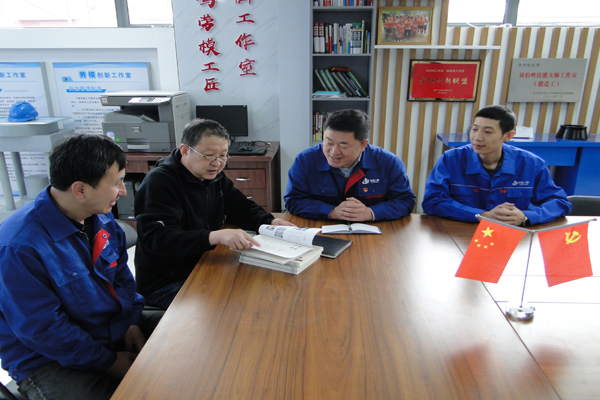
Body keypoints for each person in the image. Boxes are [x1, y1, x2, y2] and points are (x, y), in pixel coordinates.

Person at [0, 134, 159, 400]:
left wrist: (131, 323)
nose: (122, 191)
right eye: (117, 182)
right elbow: (43, 330)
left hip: (110, 330)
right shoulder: (18, 246)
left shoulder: (101, 218)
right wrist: (107, 361)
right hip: (49, 359)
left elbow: (122, 279)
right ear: (80, 190)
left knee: (187, 340)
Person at [134, 118, 293, 309]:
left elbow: (240, 206)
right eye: (208, 155)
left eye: (223, 156)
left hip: (204, 263)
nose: (217, 163)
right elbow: (158, 239)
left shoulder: (213, 176)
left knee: (261, 287)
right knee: (231, 307)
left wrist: (269, 222)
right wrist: (213, 237)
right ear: (185, 151)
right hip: (167, 281)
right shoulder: (159, 182)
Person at [422, 105, 571, 226]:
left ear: (508, 136)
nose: (477, 137)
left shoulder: (531, 164)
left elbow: (559, 202)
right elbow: (433, 201)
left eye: (487, 132)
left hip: (512, 235)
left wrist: (526, 216)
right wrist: (480, 215)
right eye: (474, 129)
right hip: (461, 231)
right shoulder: (451, 160)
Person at [284, 109, 416, 221]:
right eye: (329, 143)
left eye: (343, 146)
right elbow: (293, 200)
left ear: (363, 145)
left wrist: (370, 213)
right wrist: (331, 212)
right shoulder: (305, 160)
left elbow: (405, 201)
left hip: (374, 231)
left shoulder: (388, 162)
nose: (334, 152)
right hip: (321, 228)